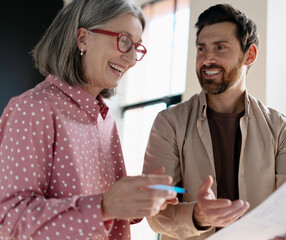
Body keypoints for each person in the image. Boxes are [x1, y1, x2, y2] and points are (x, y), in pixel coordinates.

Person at [0, 0, 177, 239]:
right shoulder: (33, 109)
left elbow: (109, 213)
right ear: (83, 38)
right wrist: (105, 206)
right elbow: (11, 218)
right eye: (124, 41)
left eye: (137, 47)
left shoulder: (106, 122)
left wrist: (138, 199)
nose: (133, 58)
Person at [143, 3, 286, 240]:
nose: (207, 59)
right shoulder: (169, 124)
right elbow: (155, 214)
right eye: (201, 49)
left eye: (220, 47)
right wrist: (197, 216)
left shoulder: (282, 129)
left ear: (249, 55)